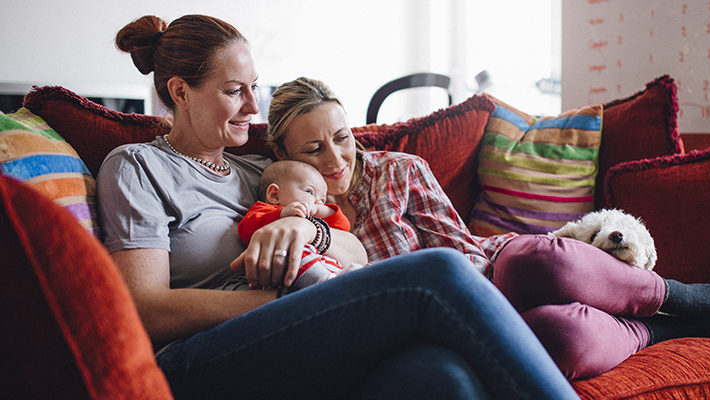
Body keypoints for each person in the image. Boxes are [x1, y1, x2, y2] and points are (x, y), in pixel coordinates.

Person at [98, 14, 581, 399]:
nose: (253, 107)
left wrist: (312, 234)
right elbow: (146, 308)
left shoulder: (258, 173)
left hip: (287, 333)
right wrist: (281, 301)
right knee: (437, 273)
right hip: (194, 360)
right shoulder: (137, 167)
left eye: (253, 87)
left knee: (441, 377)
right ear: (180, 92)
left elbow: (356, 251)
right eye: (233, 92)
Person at [261, 76, 710, 380]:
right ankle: (660, 329)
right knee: (561, 338)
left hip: (484, 272)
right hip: (437, 325)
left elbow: (459, 249)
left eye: (344, 138)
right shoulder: (288, 213)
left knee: (538, 260)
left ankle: (678, 294)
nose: (336, 159)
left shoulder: (399, 170)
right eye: (313, 150)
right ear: (282, 156)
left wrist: (486, 299)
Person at [237, 159, 363, 291]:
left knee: (331, 260)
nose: (317, 202)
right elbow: (246, 231)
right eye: (309, 192)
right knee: (294, 251)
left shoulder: (314, 217)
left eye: (322, 199)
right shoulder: (263, 210)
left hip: (323, 266)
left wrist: (327, 210)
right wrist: (281, 215)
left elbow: (344, 228)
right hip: (281, 271)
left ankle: (344, 277)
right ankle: (325, 281)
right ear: (274, 195)